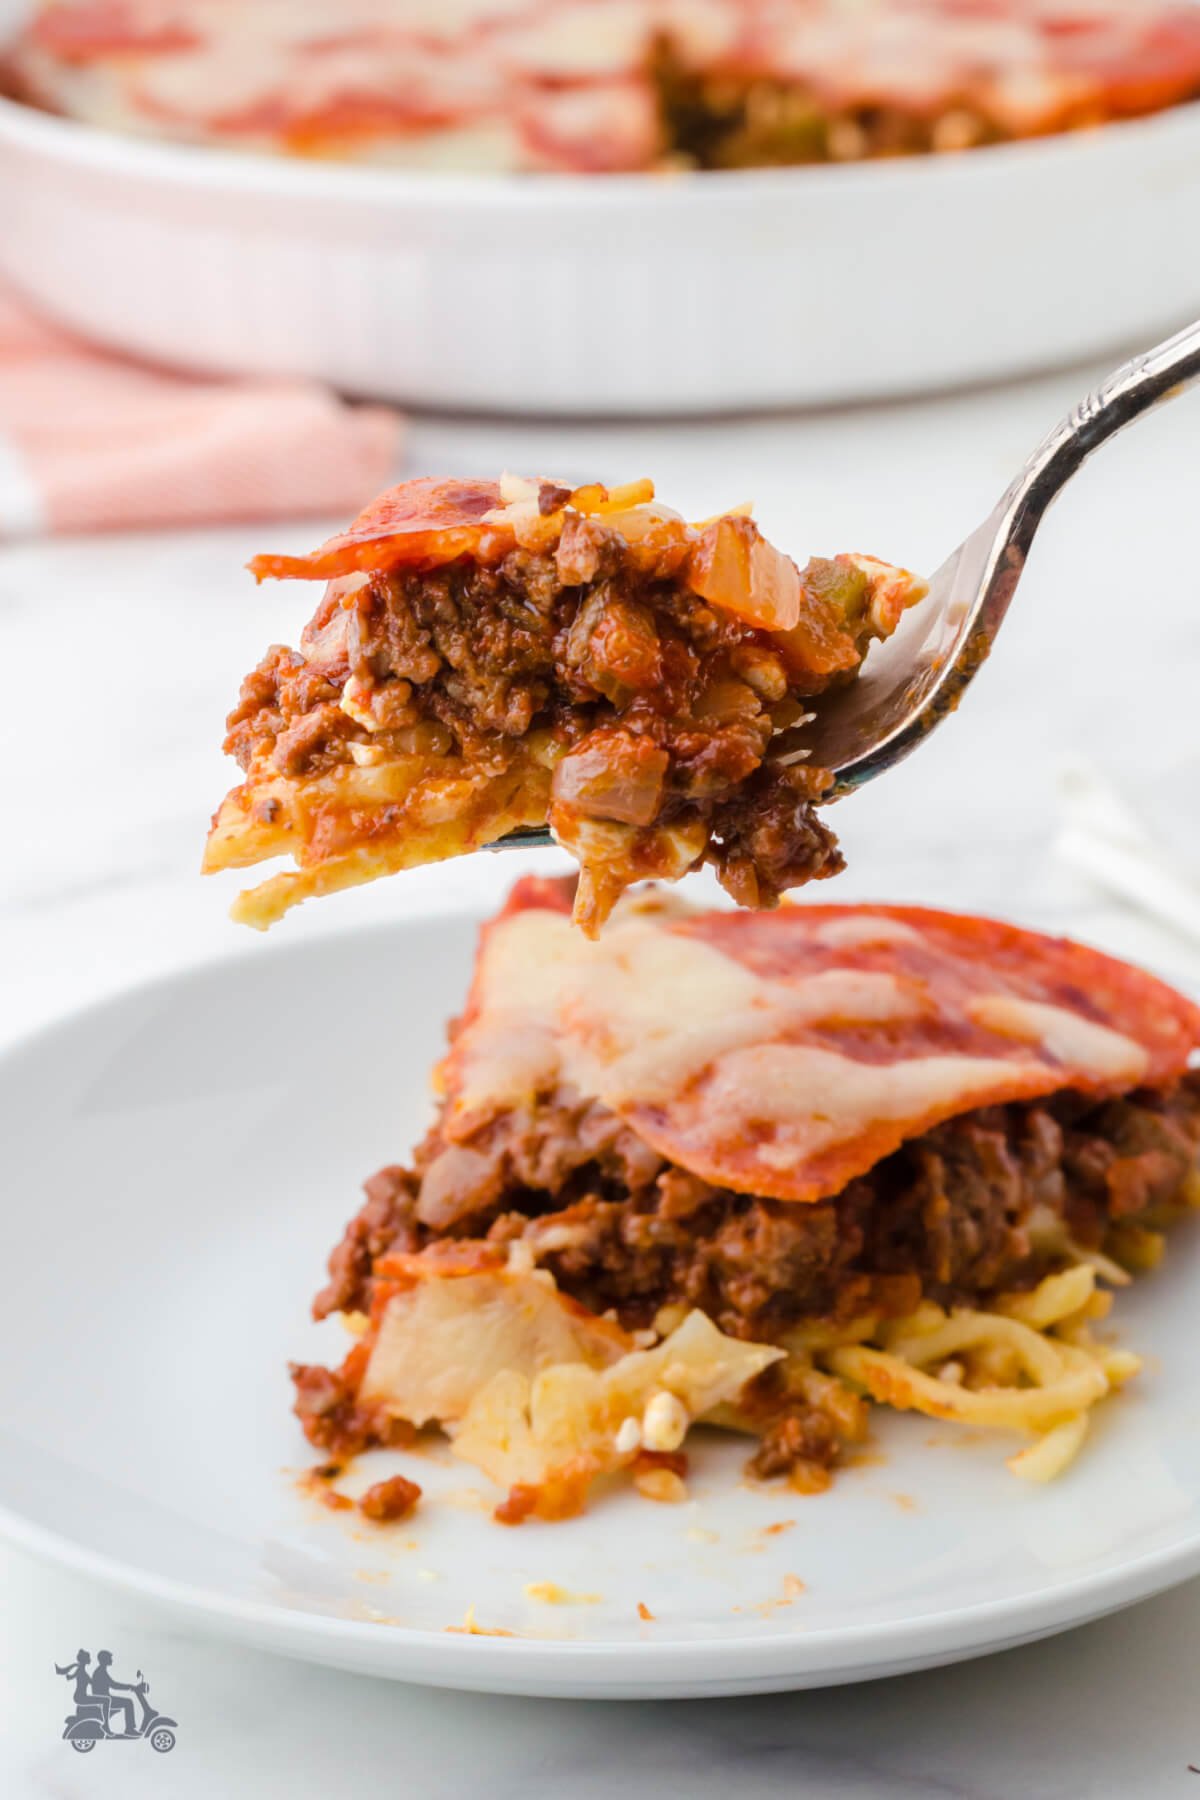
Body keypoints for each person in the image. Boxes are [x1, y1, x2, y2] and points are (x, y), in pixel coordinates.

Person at [90, 1650, 138, 1736]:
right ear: (104, 1660)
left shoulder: (101, 1670)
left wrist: (129, 1687)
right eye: (109, 1658)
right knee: (128, 1702)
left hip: (105, 1698)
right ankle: (129, 1729)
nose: (111, 1660)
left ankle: (129, 1728)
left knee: (127, 1702)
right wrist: (129, 1687)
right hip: (104, 1699)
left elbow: (112, 1684)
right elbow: (114, 1685)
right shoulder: (100, 1671)